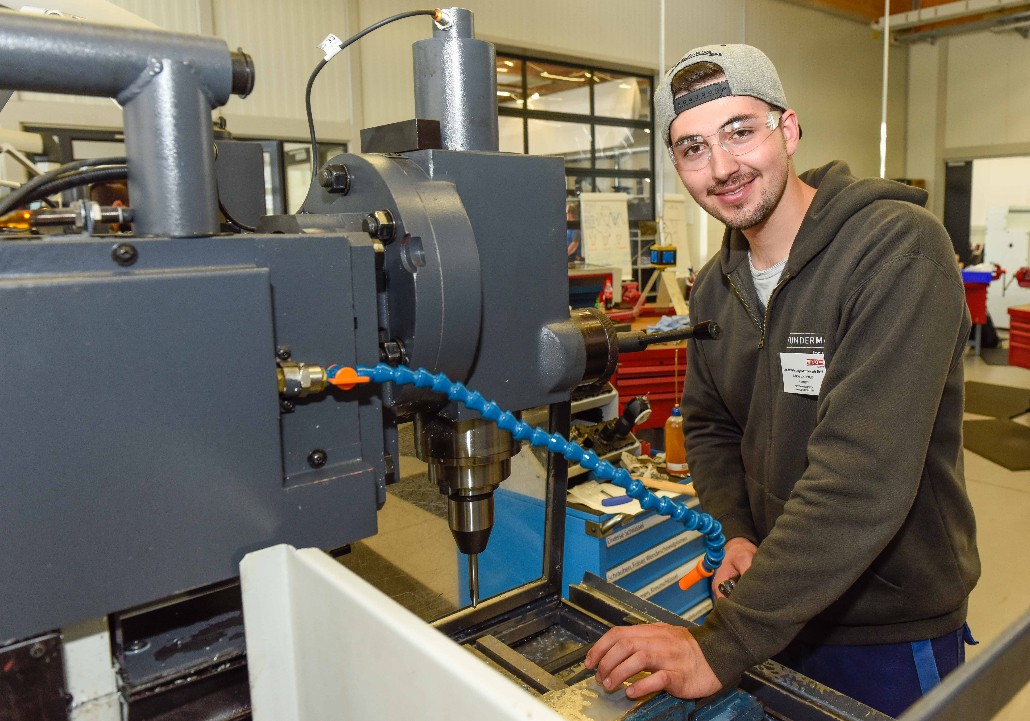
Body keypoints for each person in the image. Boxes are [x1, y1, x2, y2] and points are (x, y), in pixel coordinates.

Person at [584, 44, 980, 717]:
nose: (722, 167)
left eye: (740, 131)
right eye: (693, 147)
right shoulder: (716, 286)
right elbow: (710, 425)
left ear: (788, 130)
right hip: (775, 605)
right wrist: (737, 531)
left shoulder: (895, 249)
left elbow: (862, 478)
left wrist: (722, 643)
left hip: (884, 626)